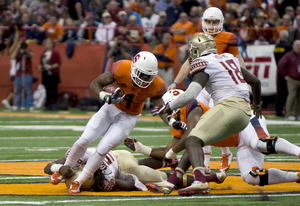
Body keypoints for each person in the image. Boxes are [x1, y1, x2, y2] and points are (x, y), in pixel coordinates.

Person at [149, 33, 261, 196]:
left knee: (192, 139)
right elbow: (255, 82)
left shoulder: (204, 63)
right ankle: (171, 182)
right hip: (245, 114)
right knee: (195, 139)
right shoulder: (229, 58)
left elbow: (189, 95)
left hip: (228, 107)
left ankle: (200, 181)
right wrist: (256, 105)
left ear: (197, 50)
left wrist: (167, 108)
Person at [49, 51, 172, 194]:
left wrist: (171, 122)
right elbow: (96, 83)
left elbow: (161, 109)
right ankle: (64, 169)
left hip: (129, 117)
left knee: (102, 149)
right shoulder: (121, 68)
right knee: (84, 140)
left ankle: (79, 181)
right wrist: (104, 96)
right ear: (133, 68)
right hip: (111, 108)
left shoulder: (157, 85)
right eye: (142, 74)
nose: (144, 79)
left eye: (148, 76)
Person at [146, 106, 300, 194]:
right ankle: (297, 177)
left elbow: (188, 139)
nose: (173, 117)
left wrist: (171, 156)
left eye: (173, 111)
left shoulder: (195, 109)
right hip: (239, 141)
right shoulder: (185, 124)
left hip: (246, 122)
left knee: (260, 143)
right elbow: (189, 148)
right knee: (251, 177)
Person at [168, 7, 247, 173]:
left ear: (221, 23)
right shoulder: (199, 38)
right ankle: (204, 162)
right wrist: (175, 82)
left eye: (215, 22)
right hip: (202, 85)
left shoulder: (227, 38)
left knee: (216, 121)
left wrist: (242, 83)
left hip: (220, 88)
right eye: (208, 21)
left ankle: (226, 152)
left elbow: (239, 62)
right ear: (203, 22)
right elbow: (189, 62)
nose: (211, 25)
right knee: (199, 123)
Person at [45, 148, 226, 192]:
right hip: (119, 154)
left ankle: (210, 179)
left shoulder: (106, 179)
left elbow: (130, 184)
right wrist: (60, 167)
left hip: (125, 167)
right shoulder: (81, 157)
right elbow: (48, 167)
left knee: (163, 178)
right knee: (140, 164)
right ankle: (166, 159)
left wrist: (60, 168)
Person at [277, 40, 300, 121]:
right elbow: (280, 65)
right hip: (292, 79)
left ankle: (298, 114)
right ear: (293, 46)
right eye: (297, 45)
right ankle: (289, 113)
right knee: (292, 96)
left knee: (299, 97)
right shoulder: (289, 55)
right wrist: (285, 75)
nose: (299, 46)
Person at [10, 39, 34, 111]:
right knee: (18, 90)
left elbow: (31, 56)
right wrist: (17, 48)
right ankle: (18, 105)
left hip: (27, 72)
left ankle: (31, 105)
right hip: (19, 73)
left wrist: (25, 50)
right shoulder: (17, 52)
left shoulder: (28, 50)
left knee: (29, 89)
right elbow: (12, 57)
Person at [38, 39, 62, 110]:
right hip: (45, 74)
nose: (47, 45)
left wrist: (51, 67)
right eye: (46, 43)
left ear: (52, 44)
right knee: (47, 90)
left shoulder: (55, 52)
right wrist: (41, 67)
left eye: (49, 43)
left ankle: (54, 104)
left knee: (54, 89)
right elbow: (41, 63)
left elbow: (58, 63)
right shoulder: (43, 53)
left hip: (53, 73)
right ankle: (48, 105)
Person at [273, 30, 293, 117]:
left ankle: (278, 111)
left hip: (279, 71)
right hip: (287, 72)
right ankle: (288, 110)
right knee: (289, 92)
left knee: (280, 92)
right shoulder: (288, 47)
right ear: (286, 37)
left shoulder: (277, 47)